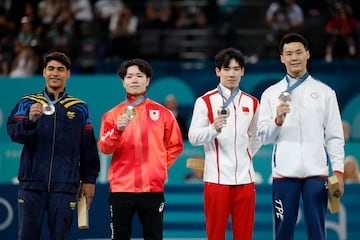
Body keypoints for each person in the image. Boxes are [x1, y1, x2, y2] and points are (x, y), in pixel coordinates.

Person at [256, 33, 345, 240]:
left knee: (317, 233)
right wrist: (277, 120)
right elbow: (263, 136)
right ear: (282, 58)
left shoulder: (325, 93)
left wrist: (338, 172)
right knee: (283, 233)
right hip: (284, 175)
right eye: (288, 54)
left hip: (317, 175)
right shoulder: (270, 94)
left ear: (307, 54)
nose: (294, 57)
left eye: (298, 52)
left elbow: (334, 136)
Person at [6, 51, 100, 239]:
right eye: (51, 69)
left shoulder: (79, 107)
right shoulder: (27, 103)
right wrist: (30, 120)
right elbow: (14, 133)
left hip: (64, 187)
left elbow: (88, 148)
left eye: (60, 69)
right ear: (43, 72)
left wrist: (89, 180)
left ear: (68, 74)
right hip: (32, 185)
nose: (55, 73)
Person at [98, 58, 184, 240]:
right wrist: (116, 130)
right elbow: (105, 147)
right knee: (120, 237)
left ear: (147, 80)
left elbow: (175, 145)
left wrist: (158, 168)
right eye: (129, 76)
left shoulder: (163, 113)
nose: (134, 80)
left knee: (154, 236)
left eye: (139, 75)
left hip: (152, 189)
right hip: (121, 189)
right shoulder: (112, 115)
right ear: (123, 82)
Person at [188, 47, 261, 240]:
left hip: (245, 181)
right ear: (217, 71)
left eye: (237, 69)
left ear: (243, 72)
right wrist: (213, 129)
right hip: (217, 181)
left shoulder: (252, 102)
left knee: (244, 236)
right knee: (215, 235)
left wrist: (246, 156)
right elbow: (193, 137)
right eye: (227, 69)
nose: (232, 74)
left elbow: (257, 136)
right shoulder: (204, 101)